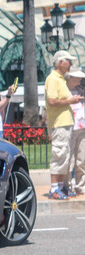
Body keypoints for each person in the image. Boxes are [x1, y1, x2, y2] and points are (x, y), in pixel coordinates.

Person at [45, 50, 84, 200]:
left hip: (66, 124)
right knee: (59, 155)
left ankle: (61, 188)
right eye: (69, 60)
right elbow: (52, 101)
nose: (71, 64)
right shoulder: (53, 79)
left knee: (64, 156)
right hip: (59, 124)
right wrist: (70, 101)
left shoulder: (60, 79)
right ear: (61, 62)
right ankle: (55, 188)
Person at [66, 70, 85, 195]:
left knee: (82, 159)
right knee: (69, 159)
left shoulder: (81, 90)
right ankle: (67, 186)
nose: (79, 80)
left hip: (82, 127)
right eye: (76, 78)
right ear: (70, 78)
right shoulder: (64, 91)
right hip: (70, 128)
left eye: (80, 78)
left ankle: (81, 185)